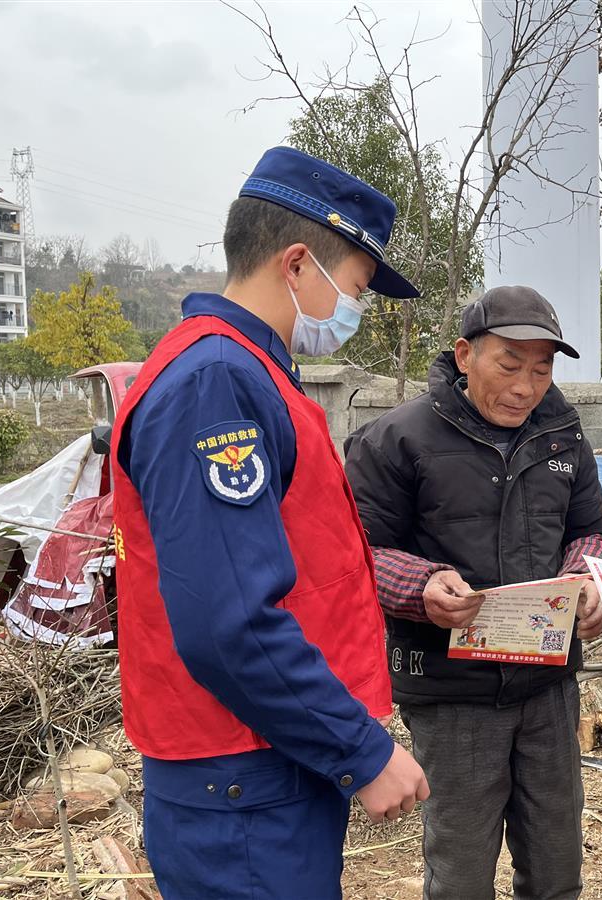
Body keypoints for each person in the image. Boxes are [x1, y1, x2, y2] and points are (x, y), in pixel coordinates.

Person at [111, 146, 430, 900]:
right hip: (243, 779)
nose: (356, 310)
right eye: (355, 286)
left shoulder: (244, 373)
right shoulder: (216, 385)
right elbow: (231, 624)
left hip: (264, 764)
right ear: (296, 265)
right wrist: (361, 750)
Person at [344, 285, 602, 900]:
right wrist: (421, 587)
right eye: (509, 365)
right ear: (465, 356)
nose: (526, 386)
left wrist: (587, 578)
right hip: (453, 692)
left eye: (541, 370)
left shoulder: (562, 436)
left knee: (555, 862)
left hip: (547, 687)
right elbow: (358, 556)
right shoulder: (397, 440)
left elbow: (591, 531)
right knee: (462, 869)